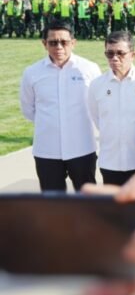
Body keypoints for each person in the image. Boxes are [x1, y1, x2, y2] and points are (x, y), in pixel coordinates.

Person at [19, 20, 101, 191]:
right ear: (44, 44)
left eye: (64, 42)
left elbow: (97, 106)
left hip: (82, 148)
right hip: (47, 150)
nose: (59, 47)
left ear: (73, 43)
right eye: (53, 42)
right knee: (52, 203)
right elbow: (28, 109)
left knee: (87, 200)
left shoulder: (89, 69)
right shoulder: (32, 73)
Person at [87, 31, 135, 185]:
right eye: (109, 53)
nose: (114, 58)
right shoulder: (97, 85)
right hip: (111, 164)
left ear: (133, 55)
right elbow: (98, 119)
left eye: (120, 53)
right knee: (116, 209)